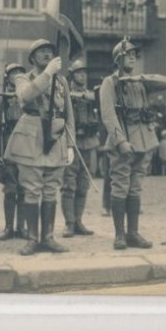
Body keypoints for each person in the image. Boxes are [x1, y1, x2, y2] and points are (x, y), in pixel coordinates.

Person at [99, 37, 166, 251]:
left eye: (134, 56)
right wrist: (120, 142)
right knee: (120, 186)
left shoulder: (140, 82)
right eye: (128, 55)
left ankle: (133, 232)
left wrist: (137, 78)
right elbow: (108, 116)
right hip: (124, 141)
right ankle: (119, 235)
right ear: (117, 59)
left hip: (144, 140)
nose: (132, 58)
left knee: (136, 187)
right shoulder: (109, 83)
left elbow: (165, 82)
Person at [7, 39, 73, 256]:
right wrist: (47, 75)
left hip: (55, 136)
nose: (46, 55)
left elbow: (68, 113)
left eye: (49, 51)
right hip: (31, 137)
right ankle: (33, 238)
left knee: (51, 187)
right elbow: (26, 96)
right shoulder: (22, 78)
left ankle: (48, 237)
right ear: (32, 57)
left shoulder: (61, 81)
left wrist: (70, 145)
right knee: (32, 188)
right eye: (41, 52)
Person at [0, 62, 29, 240]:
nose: (17, 76)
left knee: (25, 190)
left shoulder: (29, 97)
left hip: (27, 149)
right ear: (7, 77)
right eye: (13, 73)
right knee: (10, 189)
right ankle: (8, 227)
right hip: (8, 148)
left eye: (20, 73)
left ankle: (22, 227)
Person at [62, 58, 101, 237]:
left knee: (83, 184)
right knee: (69, 184)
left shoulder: (91, 94)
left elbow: (99, 101)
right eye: (79, 72)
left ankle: (78, 221)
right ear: (72, 75)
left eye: (84, 72)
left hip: (89, 141)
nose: (82, 75)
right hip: (71, 142)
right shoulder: (65, 93)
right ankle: (69, 223)